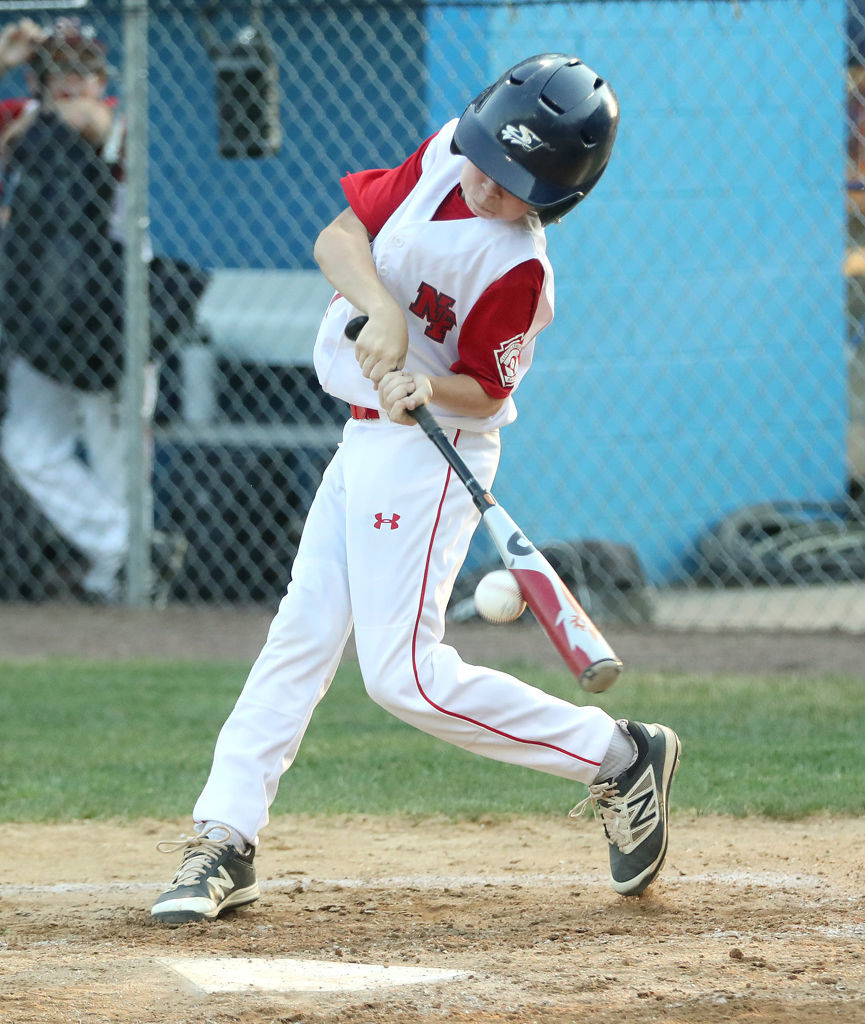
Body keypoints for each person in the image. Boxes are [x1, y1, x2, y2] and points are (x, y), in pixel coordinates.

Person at [151, 53, 681, 924]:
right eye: (491, 164)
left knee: (405, 679)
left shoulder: (519, 271)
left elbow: (491, 393)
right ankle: (224, 837)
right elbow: (336, 239)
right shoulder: (445, 155)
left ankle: (616, 754)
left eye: (520, 187)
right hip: (365, 435)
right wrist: (383, 310)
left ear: (555, 198)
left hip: (435, 454)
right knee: (301, 635)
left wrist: (427, 387)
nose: (491, 190)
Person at [0, 18, 191, 602]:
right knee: (26, 444)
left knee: (119, 463)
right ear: (37, 76)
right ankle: (128, 551)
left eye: (82, 68)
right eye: (57, 69)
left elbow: (88, 123)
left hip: (115, 317)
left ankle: (126, 584)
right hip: (46, 318)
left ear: (103, 76)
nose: (71, 81)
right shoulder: (23, 119)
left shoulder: (112, 118)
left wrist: (33, 113)